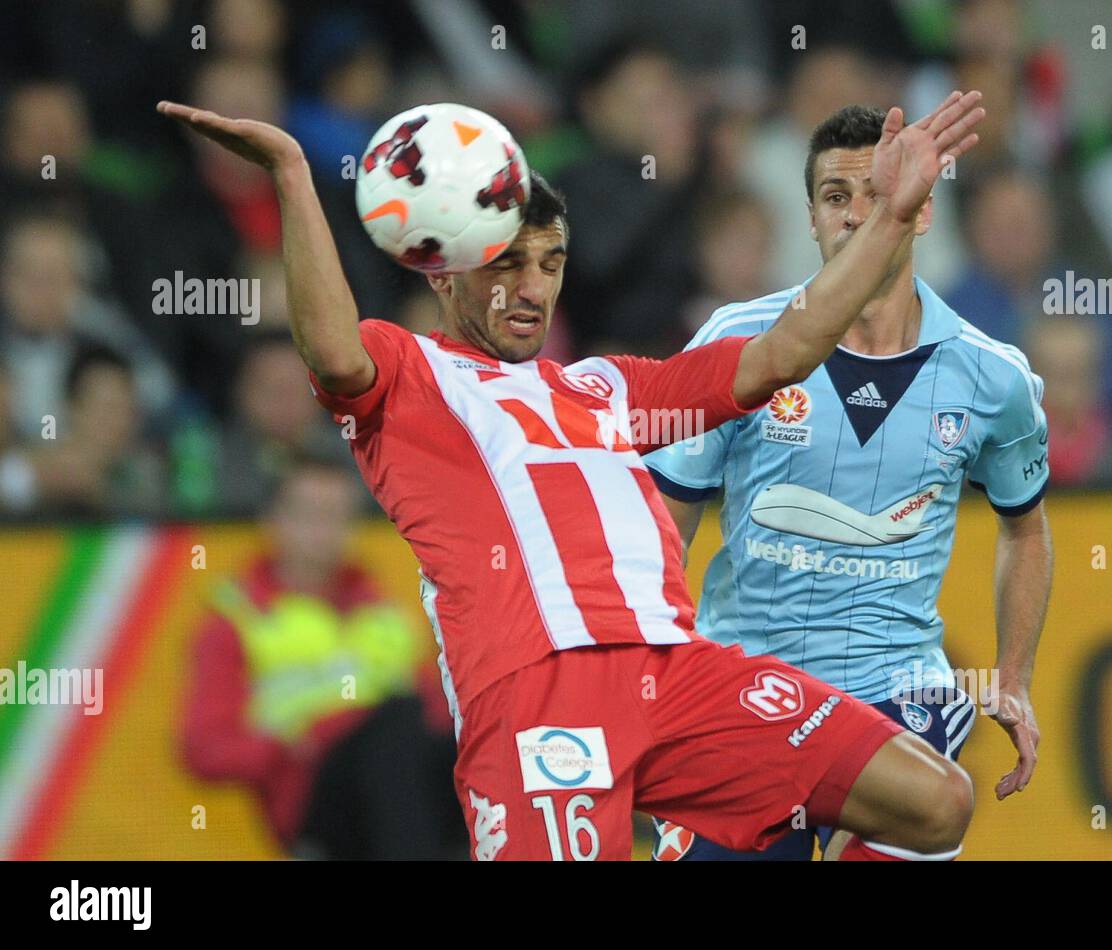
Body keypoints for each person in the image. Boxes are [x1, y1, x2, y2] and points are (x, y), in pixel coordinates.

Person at [158, 88, 986, 862]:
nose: (531, 289)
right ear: (446, 269)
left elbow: (785, 350)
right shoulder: (408, 377)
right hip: (537, 698)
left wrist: (893, 215)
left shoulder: (608, 388)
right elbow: (333, 351)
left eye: (550, 264)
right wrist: (293, 179)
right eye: (507, 263)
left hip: (679, 671)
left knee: (934, 799)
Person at [645, 105, 1053, 860]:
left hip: (897, 689)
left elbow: (1025, 527)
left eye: (878, 192)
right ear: (810, 218)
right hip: (747, 683)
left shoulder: (992, 376)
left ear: (921, 208)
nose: (857, 214)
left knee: (937, 808)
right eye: (836, 197)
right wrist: (652, 670)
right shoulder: (740, 343)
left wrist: (1014, 676)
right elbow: (667, 518)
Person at [181, 455, 464, 859]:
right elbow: (204, 747)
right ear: (273, 521)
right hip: (314, 796)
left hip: (401, 787)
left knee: (470, 748)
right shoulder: (239, 617)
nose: (324, 531)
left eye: (337, 515)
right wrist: (294, 748)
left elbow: (434, 713)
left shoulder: (382, 610)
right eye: (310, 514)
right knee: (395, 732)